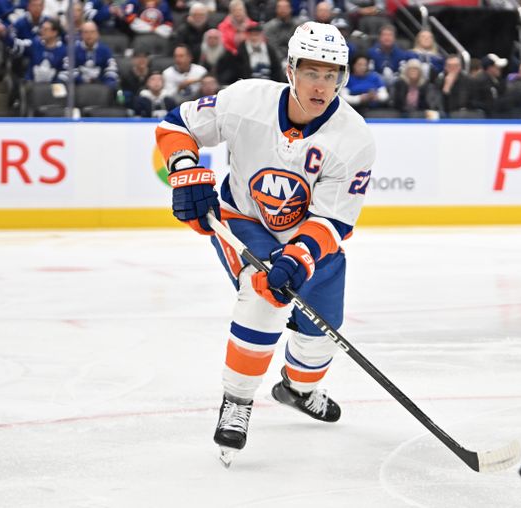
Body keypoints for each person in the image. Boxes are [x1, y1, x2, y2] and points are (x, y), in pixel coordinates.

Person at [154, 21, 375, 465]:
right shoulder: (245, 100)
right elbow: (177, 125)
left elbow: (333, 221)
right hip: (244, 219)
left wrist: (299, 254)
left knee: (323, 331)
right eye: (312, 72)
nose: (321, 85)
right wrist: (183, 169)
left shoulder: (354, 139)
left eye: (332, 74)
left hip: (310, 237)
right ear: (290, 70)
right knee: (263, 292)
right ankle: (237, 400)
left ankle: (299, 387)